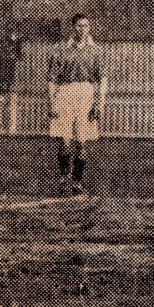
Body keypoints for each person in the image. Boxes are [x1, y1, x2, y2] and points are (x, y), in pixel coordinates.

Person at [46, 14, 107, 195]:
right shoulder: (61, 50)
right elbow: (52, 80)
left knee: (81, 142)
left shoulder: (96, 50)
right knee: (64, 141)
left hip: (86, 94)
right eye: (79, 25)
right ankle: (64, 178)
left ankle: (77, 182)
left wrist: (99, 103)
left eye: (86, 25)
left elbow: (102, 79)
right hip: (65, 93)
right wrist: (52, 103)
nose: (83, 28)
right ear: (73, 27)